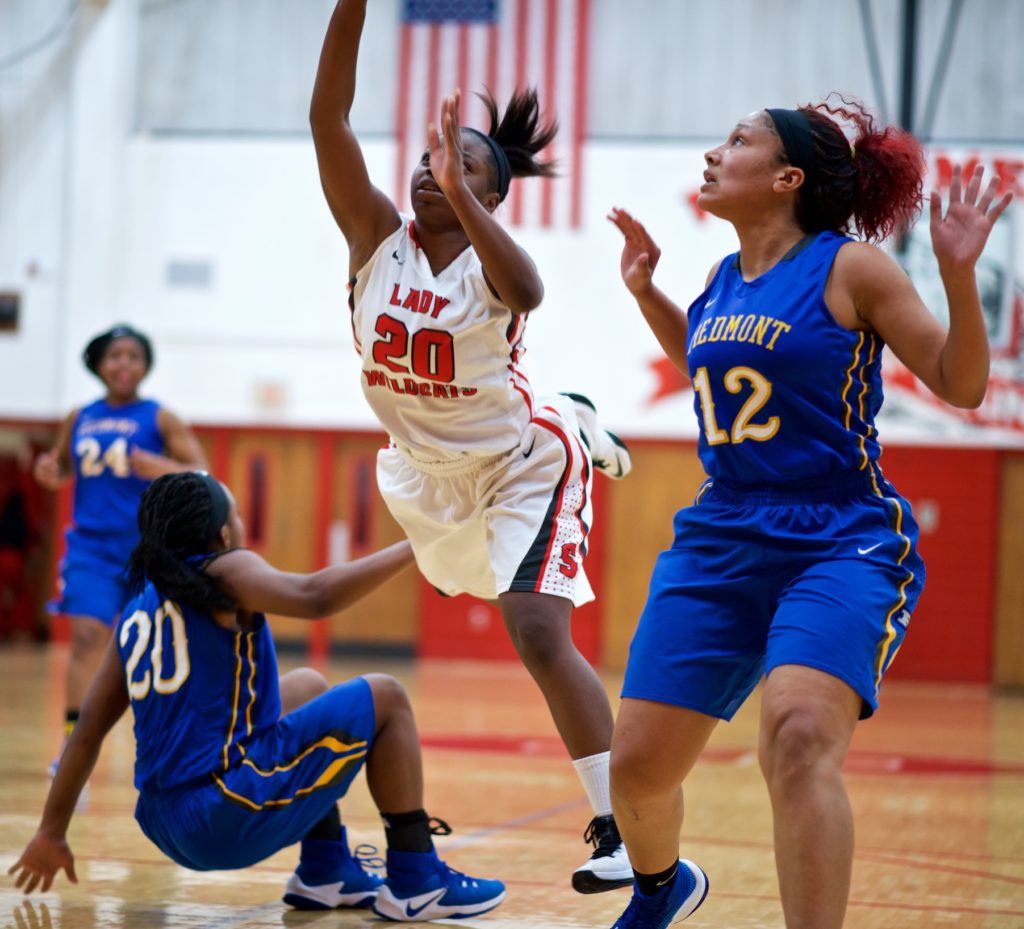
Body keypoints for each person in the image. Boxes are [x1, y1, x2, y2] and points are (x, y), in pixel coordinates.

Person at [605, 98, 1012, 928]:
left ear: (787, 177)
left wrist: (959, 276)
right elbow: (714, 365)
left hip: (838, 535)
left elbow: (961, 384)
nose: (715, 154)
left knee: (795, 734)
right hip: (722, 530)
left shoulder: (851, 268)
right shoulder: (722, 280)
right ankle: (661, 889)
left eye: (738, 141)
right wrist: (650, 297)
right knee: (638, 769)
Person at [309, 0, 632, 892]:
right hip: (428, 470)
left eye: (460, 166)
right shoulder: (374, 239)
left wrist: (457, 189)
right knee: (465, 580)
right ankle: (574, 400)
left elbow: (526, 291)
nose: (431, 169)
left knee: (533, 627)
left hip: (520, 461)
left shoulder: (494, 262)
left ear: (488, 194)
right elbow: (327, 119)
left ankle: (614, 821)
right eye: (427, 157)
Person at [8, 471, 506, 922]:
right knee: (387, 697)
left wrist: (50, 832)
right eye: (238, 513)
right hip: (222, 812)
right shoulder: (224, 570)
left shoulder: (139, 607)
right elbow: (315, 597)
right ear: (223, 535)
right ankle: (417, 876)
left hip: (163, 821)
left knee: (307, 686)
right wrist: (420, 546)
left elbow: (86, 731)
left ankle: (325, 870)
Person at [34, 325, 206, 775]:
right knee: (88, 638)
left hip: (146, 549)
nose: (123, 364)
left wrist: (163, 467)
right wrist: (49, 471)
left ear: (145, 364)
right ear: (98, 364)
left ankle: (162, 744)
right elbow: (61, 467)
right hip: (89, 548)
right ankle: (75, 747)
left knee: (148, 646)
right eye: (114, 356)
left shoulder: (160, 417)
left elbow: (200, 471)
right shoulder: (79, 416)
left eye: (132, 356)